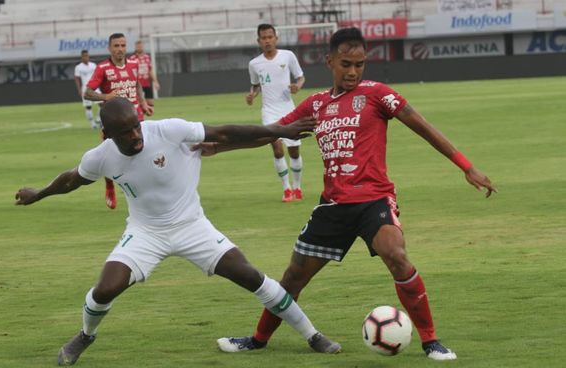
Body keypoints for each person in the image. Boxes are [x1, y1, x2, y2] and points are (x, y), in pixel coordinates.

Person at [209, 27, 496, 361]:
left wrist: (466, 166)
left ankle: (431, 341)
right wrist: (220, 147)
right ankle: (257, 339)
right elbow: (271, 132)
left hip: (374, 200)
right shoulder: (316, 105)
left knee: (397, 255)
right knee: (292, 278)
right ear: (329, 61)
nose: (353, 71)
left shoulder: (377, 94)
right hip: (333, 207)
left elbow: (423, 127)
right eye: (346, 63)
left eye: (360, 64)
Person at [14, 98, 340, 366]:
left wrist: (279, 130)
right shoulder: (100, 158)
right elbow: (71, 180)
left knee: (250, 275)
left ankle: (313, 335)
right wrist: (37, 194)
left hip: (192, 226)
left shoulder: (168, 130)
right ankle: (84, 336)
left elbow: (224, 133)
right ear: (107, 134)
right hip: (145, 233)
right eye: (125, 132)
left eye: (136, 126)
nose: (135, 135)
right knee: (105, 288)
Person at [84, 33, 154, 210]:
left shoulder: (134, 64)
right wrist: (106, 96)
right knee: (110, 154)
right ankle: (109, 186)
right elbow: (88, 93)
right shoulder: (102, 68)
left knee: (143, 151)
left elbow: (136, 83)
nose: (120, 49)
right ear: (110, 48)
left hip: (135, 116)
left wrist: (144, 103)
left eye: (123, 45)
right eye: (116, 46)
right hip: (114, 121)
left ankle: (147, 187)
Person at [247, 24, 306, 202]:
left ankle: (297, 187)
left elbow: (301, 77)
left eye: (270, 37)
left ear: (276, 38)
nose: (267, 41)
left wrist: (297, 87)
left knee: (294, 151)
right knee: (277, 148)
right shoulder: (254, 64)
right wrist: (252, 95)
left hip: (289, 110)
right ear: (259, 42)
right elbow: (256, 85)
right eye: (264, 38)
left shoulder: (288, 56)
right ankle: (286, 189)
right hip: (269, 112)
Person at [128, 39, 160, 108]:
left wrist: (155, 82)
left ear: (143, 47)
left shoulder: (147, 57)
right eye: (138, 46)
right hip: (137, 85)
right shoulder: (132, 58)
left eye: (141, 46)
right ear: (135, 47)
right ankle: (139, 117)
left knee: (150, 103)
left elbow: (150, 70)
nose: (140, 48)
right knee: (138, 103)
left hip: (146, 84)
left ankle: (148, 117)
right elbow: (129, 72)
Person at [74, 50, 101, 129]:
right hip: (85, 89)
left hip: (95, 88)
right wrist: (79, 90)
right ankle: (92, 123)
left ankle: (98, 118)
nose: (86, 57)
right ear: (82, 57)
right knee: (88, 107)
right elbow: (76, 79)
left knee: (102, 103)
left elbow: (98, 76)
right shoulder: (78, 67)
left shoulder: (93, 65)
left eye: (87, 55)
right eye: (84, 56)